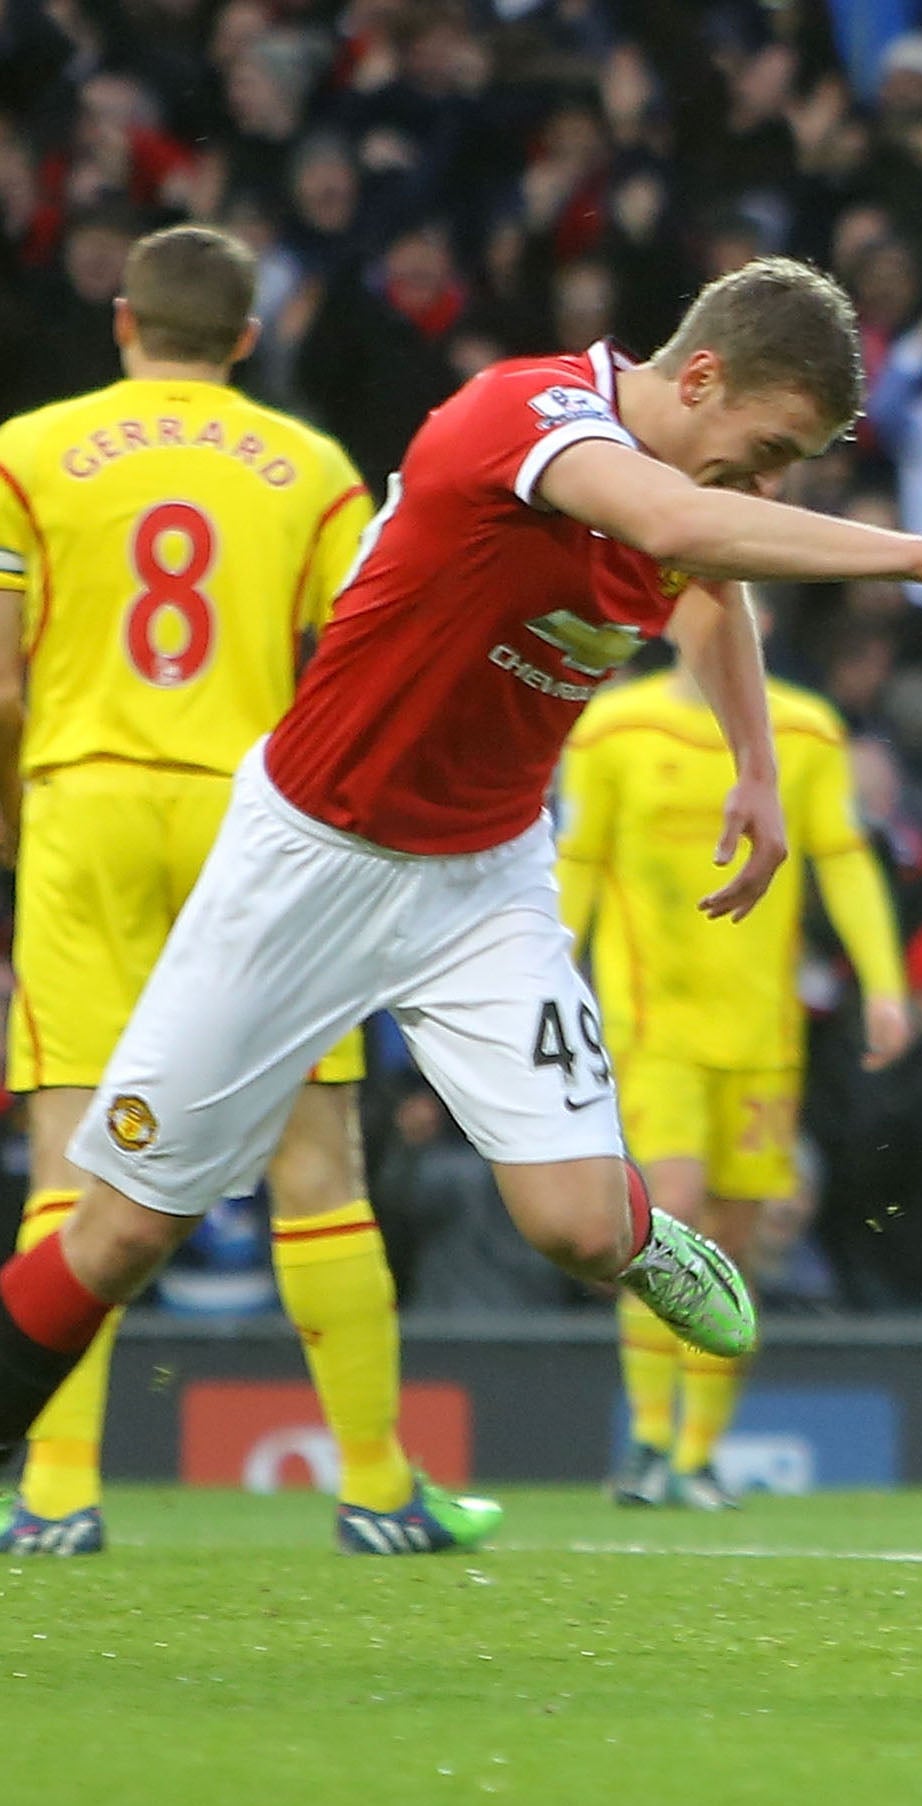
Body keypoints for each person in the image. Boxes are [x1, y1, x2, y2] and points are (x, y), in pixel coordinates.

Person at [0, 255, 922, 1479]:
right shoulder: (530, 413)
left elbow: (713, 580)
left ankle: (644, 1240)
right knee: (124, 1234)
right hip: (309, 855)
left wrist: (756, 768)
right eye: (770, 449)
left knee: (573, 1225)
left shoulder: (689, 484)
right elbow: (681, 530)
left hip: (485, 876)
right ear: (700, 374)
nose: (771, 484)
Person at [0, 225, 500, 1555]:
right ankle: (381, 1488)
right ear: (244, 338)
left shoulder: (29, 451)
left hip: (85, 799)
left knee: (71, 1153)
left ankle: (54, 1492)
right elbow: (370, 656)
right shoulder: (315, 470)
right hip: (260, 821)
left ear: (123, 323)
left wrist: (17, 820)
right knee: (312, 1158)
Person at [558, 647, 911, 1510]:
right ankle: (644, 1442)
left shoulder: (805, 728)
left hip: (761, 1033)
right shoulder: (614, 728)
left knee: (737, 1241)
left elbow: (844, 856)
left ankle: (699, 1453)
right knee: (667, 1209)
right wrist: (549, 978)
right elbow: (574, 864)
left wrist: (885, 984)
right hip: (653, 1022)